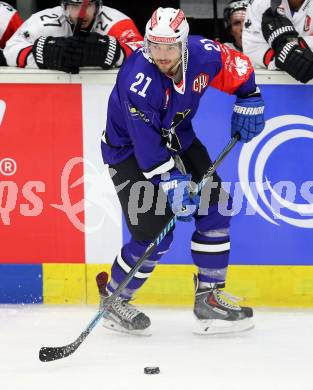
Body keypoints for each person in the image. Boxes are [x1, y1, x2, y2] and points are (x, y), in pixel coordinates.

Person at [99, 7, 265, 335]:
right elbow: (147, 147)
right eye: (154, 45)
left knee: (216, 207)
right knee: (154, 233)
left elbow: (240, 66)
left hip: (180, 140)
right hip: (129, 152)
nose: (161, 55)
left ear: (184, 44)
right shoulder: (137, 79)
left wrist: (250, 96)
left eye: (170, 47)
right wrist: (170, 182)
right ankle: (114, 298)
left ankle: (209, 298)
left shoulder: (204, 54)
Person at [3, 0, 143, 73]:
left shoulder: (117, 21)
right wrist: (45, 54)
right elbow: (10, 50)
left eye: (88, 6)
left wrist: (113, 53)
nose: (80, 14)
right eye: (74, 6)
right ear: (64, 7)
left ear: (98, 6)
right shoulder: (43, 21)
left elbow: (146, 54)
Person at [242, 0, 313, 83]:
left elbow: (291, 54)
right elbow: (252, 49)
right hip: (267, 83)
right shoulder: (260, 2)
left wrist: (288, 48)